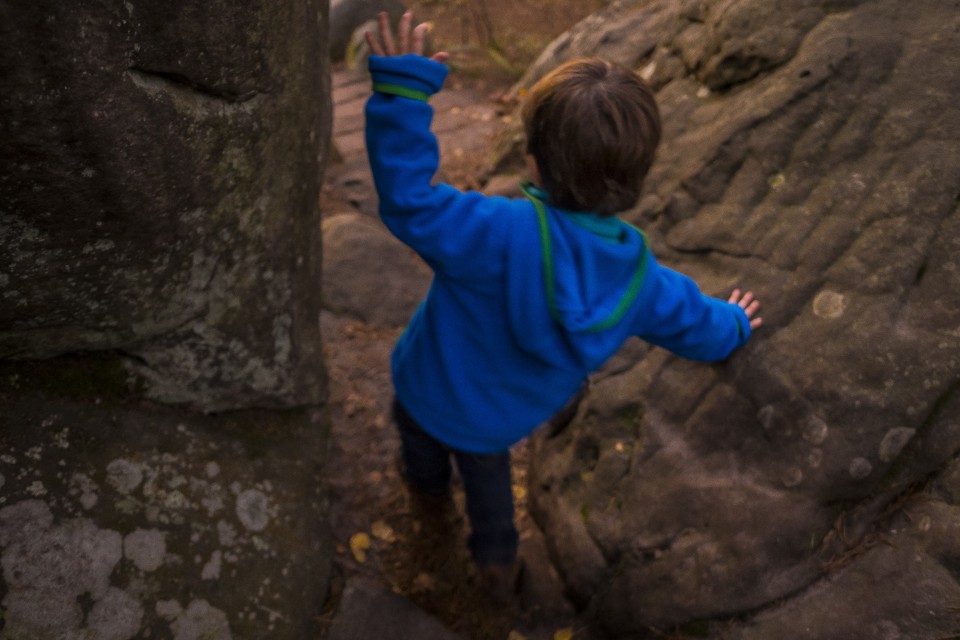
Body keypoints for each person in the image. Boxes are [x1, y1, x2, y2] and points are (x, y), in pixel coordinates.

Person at [364, 12, 762, 601]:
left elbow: (408, 200)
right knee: (491, 491)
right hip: (496, 425)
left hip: (425, 386)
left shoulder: (491, 230)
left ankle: (425, 495)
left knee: (418, 452)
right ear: (636, 175)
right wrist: (735, 324)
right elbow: (697, 325)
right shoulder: (642, 283)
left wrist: (401, 90)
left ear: (533, 160)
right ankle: (496, 565)